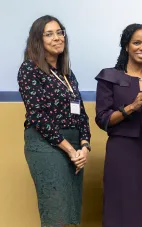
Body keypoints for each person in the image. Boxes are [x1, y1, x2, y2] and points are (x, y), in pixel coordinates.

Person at [17, 15, 91, 227]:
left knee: (71, 213)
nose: (57, 38)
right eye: (49, 34)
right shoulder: (29, 70)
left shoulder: (67, 74)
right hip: (46, 144)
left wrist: (84, 147)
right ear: (37, 40)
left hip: (75, 147)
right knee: (56, 212)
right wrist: (69, 150)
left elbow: (82, 115)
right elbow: (37, 116)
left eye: (60, 32)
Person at [95, 23, 142, 227]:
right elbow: (103, 119)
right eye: (136, 42)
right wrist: (132, 107)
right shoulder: (109, 76)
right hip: (123, 154)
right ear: (126, 46)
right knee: (122, 214)